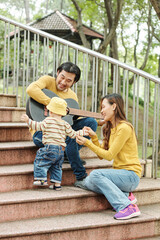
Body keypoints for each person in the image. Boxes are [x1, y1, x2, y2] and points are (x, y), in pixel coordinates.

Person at [26, 62, 97, 185]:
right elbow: (31, 89)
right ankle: (80, 174)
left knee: (91, 122)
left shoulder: (72, 96)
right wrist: (52, 104)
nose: (63, 82)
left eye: (68, 80)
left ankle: (67, 152)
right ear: (58, 72)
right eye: (62, 77)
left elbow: (71, 120)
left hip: (61, 133)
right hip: (42, 133)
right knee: (69, 138)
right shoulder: (47, 81)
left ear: (74, 83)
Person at [76, 93, 142, 220]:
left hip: (130, 175)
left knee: (95, 175)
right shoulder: (111, 128)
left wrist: (87, 142)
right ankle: (125, 194)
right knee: (88, 182)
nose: (101, 111)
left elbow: (109, 156)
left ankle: (126, 206)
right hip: (120, 176)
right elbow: (102, 155)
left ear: (114, 106)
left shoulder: (124, 128)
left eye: (103, 107)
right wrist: (94, 137)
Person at [21, 97, 88, 190]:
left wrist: (28, 120)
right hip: (61, 150)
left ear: (50, 111)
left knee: (40, 160)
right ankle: (57, 185)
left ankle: (41, 179)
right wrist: (83, 132)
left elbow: (37, 126)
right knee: (57, 167)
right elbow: (73, 134)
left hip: (50, 147)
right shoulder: (65, 124)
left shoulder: (48, 120)